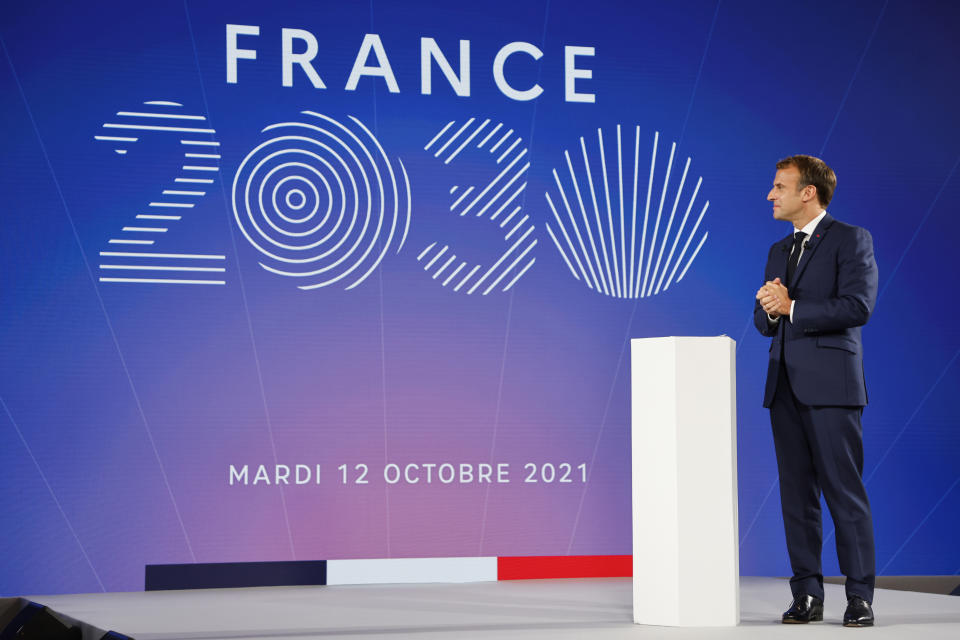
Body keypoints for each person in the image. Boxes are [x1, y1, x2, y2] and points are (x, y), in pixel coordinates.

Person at [754, 155, 878, 627]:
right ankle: (806, 594)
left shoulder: (850, 239)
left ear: (808, 192)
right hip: (783, 386)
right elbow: (766, 318)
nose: (771, 194)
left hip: (832, 387)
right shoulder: (777, 250)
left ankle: (860, 597)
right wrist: (770, 310)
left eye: (779, 186)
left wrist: (791, 306)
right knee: (796, 496)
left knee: (844, 494)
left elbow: (857, 305)